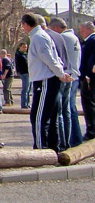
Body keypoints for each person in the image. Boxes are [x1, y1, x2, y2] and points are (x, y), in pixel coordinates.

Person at [21, 13, 71, 151]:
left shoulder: (38, 37)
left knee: (38, 116)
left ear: (26, 24)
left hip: (45, 81)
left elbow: (48, 58)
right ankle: (53, 146)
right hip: (48, 79)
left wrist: (60, 73)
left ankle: (40, 147)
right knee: (51, 115)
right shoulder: (41, 36)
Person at [49, 17, 81, 148]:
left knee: (62, 111)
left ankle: (64, 141)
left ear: (56, 28)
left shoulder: (63, 38)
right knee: (70, 109)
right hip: (75, 75)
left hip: (67, 76)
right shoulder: (74, 38)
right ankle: (75, 138)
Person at [42, 16, 69, 150]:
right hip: (63, 75)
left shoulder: (46, 37)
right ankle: (61, 144)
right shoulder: (60, 37)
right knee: (61, 113)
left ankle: (50, 146)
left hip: (52, 78)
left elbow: (50, 59)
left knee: (49, 116)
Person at [79, 21, 95, 141]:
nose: (81, 33)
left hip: (90, 78)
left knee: (89, 104)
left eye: (83, 30)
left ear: (90, 29)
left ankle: (92, 130)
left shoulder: (92, 40)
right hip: (88, 76)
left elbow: (91, 59)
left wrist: (88, 75)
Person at [15, 42, 30, 109]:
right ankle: (24, 104)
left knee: (28, 89)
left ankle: (28, 103)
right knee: (25, 89)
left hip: (29, 73)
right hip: (24, 73)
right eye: (23, 47)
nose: (25, 48)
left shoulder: (26, 54)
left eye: (26, 47)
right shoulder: (19, 55)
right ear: (20, 47)